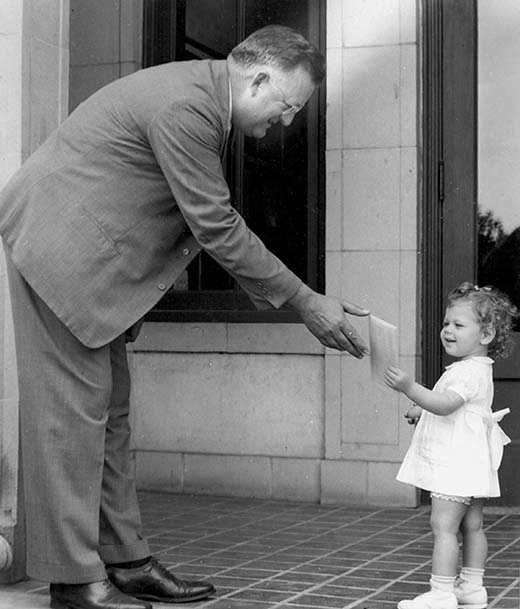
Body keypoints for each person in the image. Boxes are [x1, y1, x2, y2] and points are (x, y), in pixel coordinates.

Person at [0, 25, 369, 609]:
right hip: (59, 252)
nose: (288, 122)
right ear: (260, 77)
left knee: (110, 412)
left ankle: (126, 560)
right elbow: (216, 226)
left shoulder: (201, 99)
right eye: (288, 106)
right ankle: (73, 582)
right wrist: (305, 300)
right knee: (68, 420)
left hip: (93, 270)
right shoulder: (189, 108)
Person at [385, 282, 516, 609]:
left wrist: (409, 388)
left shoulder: (465, 372)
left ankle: (441, 593)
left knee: (442, 524)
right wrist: (422, 409)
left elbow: (445, 405)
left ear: (485, 335)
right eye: (446, 323)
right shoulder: (477, 369)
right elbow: (455, 407)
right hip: (471, 458)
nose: (448, 330)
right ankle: (472, 587)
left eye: (459, 325)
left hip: (455, 460)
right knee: (472, 524)